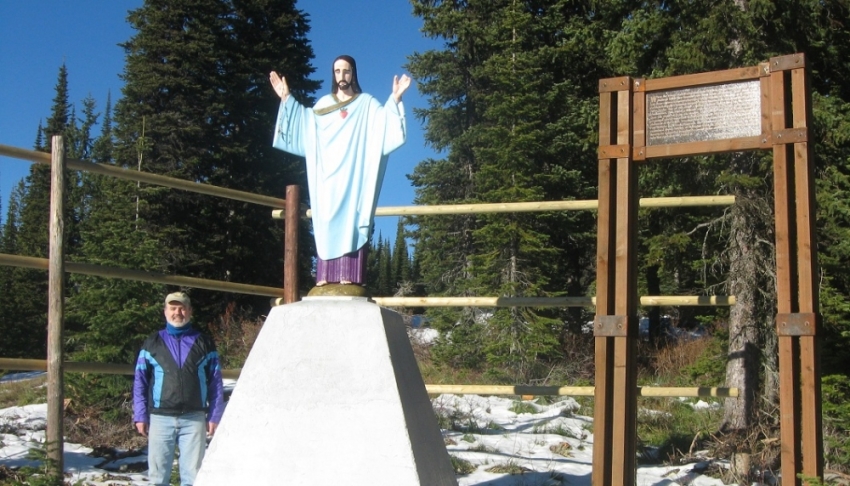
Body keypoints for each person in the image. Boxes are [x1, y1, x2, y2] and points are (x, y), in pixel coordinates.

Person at [269, 54, 411, 287]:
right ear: (333, 75)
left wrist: (395, 98)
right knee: (326, 220)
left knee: (352, 219)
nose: (342, 76)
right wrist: (286, 98)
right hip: (328, 177)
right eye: (337, 71)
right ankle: (325, 275)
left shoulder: (366, 104)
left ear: (353, 73)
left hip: (354, 176)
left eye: (346, 71)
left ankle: (351, 275)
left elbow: (383, 124)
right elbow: (305, 125)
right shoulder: (324, 105)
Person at [133, 292, 224, 486]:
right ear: (165, 311)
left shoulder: (204, 342)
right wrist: (140, 414)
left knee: (192, 477)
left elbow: (215, 381)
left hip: (194, 418)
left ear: (190, 311)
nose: (178, 312)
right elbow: (140, 380)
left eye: (182, 308)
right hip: (160, 418)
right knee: (158, 478)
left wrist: (215, 415)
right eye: (173, 308)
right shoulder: (152, 342)